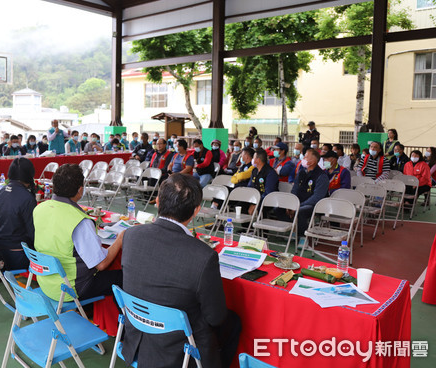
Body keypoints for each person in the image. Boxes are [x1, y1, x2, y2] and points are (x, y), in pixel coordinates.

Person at [121, 173, 241, 368]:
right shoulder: (203, 255)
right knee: (232, 322)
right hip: (178, 351)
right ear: (196, 211)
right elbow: (216, 317)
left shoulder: (131, 235)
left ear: (157, 202)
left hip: (137, 337)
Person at [32, 164, 123, 301]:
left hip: (46, 281)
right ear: (80, 190)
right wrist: (120, 239)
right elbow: (102, 264)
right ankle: (121, 321)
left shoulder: (40, 208)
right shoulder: (80, 221)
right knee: (123, 276)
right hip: (70, 289)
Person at [0, 158, 38, 271]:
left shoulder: (0, 193)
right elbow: (33, 231)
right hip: (18, 255)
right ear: (30, 175)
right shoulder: (27, 198)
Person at [289, 148, 329, 248]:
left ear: (313, 161)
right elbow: (295, 189)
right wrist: (291, 203)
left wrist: (299, 205)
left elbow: (317, 197)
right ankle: (295, 230)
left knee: (301, 211)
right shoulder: (302, 172)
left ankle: (303, 237)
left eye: (306, 157)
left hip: (315, 206)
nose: (303, 158)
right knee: (279, 209)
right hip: (299, 202)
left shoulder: (321, 176)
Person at [247, 149, 278, 214]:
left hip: (266, 201)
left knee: (258, 208)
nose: (252, 160)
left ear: (258, 160)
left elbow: (268, 192)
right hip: (254, 199)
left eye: (253, 158)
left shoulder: (270, 173)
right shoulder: (254, 171)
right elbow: (250, 186)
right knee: (241, 205)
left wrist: (257, 203)